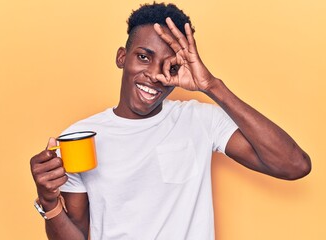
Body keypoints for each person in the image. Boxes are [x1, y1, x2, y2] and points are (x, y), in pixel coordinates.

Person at [30, 2, 311, 240]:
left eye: (170, 66)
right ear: (121, 57)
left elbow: (294, 165)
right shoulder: (80, 137)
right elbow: (76, 233)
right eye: (143, 57)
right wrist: (49, 201)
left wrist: (212, 86)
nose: (155, 75)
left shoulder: (200, 119)